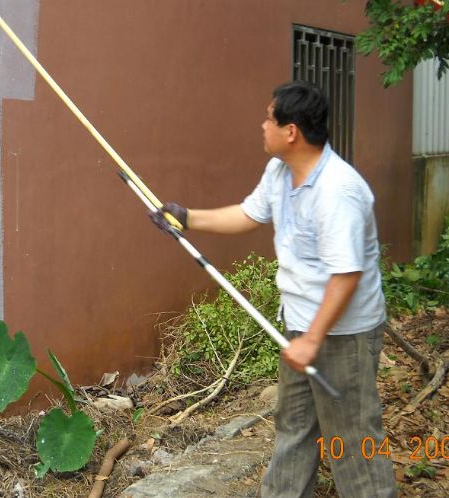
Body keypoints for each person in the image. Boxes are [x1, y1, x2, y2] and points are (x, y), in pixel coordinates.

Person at [152, 81, 397, 497]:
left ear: (291, 132)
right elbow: (248, 214)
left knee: (353, 443)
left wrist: (313, 340)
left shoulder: (338, 191)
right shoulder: (280, 172)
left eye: (269, 117)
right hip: (301, 327)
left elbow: (347, 275)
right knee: (294, 433)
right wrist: (186, 218)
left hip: (343, 336)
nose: (261, 125)